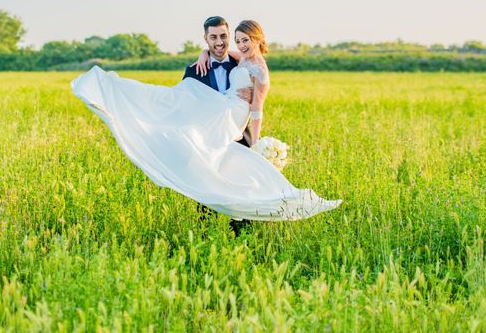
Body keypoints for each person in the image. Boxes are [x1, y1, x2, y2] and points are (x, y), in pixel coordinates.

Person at [71, 20, 341, 224]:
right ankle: (114, 96)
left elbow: (258, 107)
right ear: (207, 38)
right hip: (215, 110)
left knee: (239, 174)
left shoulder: (252, 66)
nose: (234, 43)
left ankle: (247, 221)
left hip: (233, 120)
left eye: (236, 38)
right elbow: (213, 67)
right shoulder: (228, 61)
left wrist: (256, 142)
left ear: (256, 38)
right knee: (171, 102)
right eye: (233, 39)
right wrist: (203, 54)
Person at [183, 16, 253, 234]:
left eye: (223, 36)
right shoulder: (194, 71)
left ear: (229, 36)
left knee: (241, 193)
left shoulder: (244, 65)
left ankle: (243, 239)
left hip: (239, 141)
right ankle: (206, 237)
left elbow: (260, 98)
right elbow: (186, 107)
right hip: (208, 143)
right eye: (213, 37)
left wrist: (254, 95)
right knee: (208, 194)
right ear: (205, 38)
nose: (219, 42)